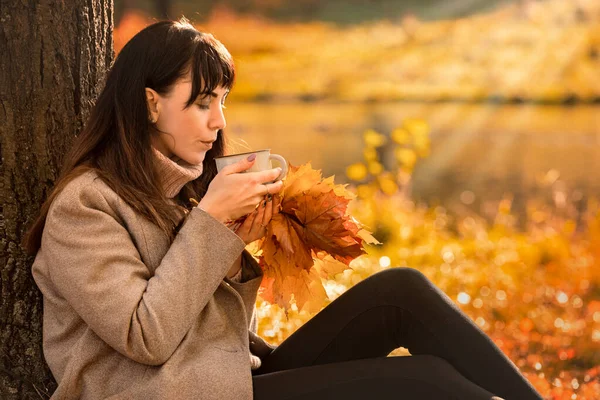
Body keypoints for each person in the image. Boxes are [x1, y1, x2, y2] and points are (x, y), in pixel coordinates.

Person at [24, 18, 543, 400]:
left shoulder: (181, 191)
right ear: (152, 103)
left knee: (399, 292)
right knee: (428, 383)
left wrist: (239, 239)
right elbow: (147, 337)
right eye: (203, 102)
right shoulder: (85, 205)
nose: (218, 120)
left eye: (222, 100)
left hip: (226, 379)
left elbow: (209, 324)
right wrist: (210, 224)